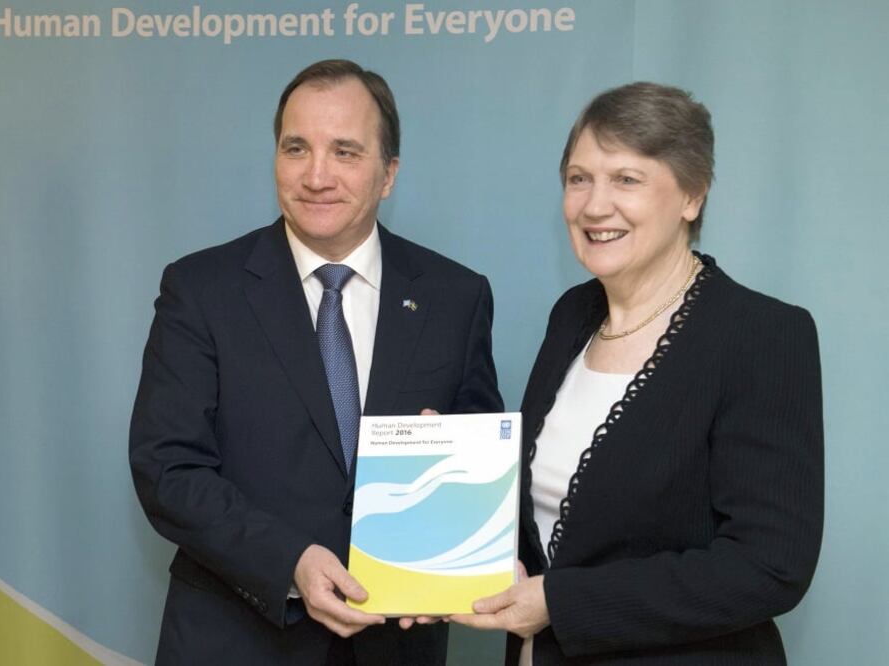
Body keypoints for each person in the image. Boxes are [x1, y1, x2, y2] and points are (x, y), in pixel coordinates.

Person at [128, 59, 503, 665]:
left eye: (346, 152)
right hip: (238, 641)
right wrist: (291, 563)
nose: (316, 175)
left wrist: (451, 477)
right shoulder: (202, 289)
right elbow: (167, 470)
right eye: (296, 148)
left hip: (397, 646)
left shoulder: (455, 297)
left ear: (389, 174)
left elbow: (476, 466)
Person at [451, 82, 823, 664]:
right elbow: (551, 523)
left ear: (692, 195)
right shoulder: (573, 314)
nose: (595, 205)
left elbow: (769, 566)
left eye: (627, 179)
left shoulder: (762, 333)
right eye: (579, 179)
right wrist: (448, 467)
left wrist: (561, 602)